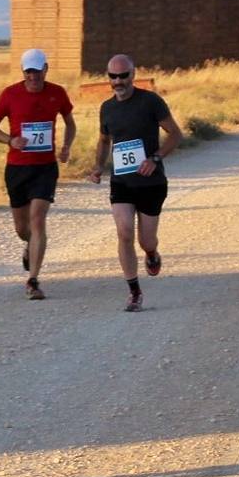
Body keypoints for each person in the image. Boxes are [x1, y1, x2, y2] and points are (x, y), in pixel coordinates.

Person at [88, 54, 184, 312]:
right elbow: (104, 140)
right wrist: (98, 166)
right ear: (108, 77)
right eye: (113, 76)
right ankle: (134, 292)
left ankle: (152, 254)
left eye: (123, 75)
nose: (118, 81)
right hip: (121, 182)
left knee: (146, 240)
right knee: (124, 232)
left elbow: (175, 134)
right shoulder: (107, 108)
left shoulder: (150, 101)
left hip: (151, 183)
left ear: (133, 74)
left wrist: (155, 158)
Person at [0, 48, 76, 300]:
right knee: (22, 227)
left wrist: (66, 146)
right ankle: (30, 246)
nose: (33, 77)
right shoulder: (10, 94)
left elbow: (70, 122)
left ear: (46, 69)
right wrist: (10, 140)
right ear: (23, 72)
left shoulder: (57, 93)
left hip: (45, 168)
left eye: (37, 71)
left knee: (37, 219)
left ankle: (33, 280)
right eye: (29, 72)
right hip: (17, 167)